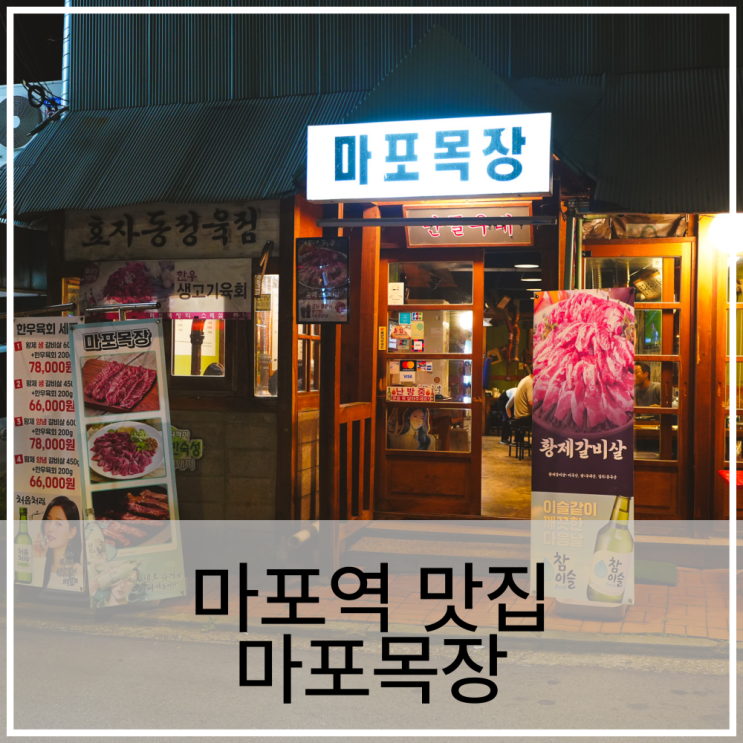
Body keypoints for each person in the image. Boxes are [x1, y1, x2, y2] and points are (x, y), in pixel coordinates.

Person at [33, 496, 84, 591]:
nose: (50, 528)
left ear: (71, 532)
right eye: (48, 520)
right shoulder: (39, 561)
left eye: (58, 523)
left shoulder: (75, 570)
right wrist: (38, 559)